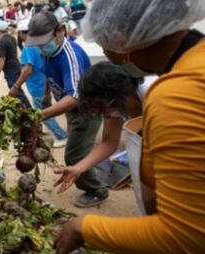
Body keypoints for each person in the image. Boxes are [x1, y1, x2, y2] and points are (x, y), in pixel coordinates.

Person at [53, 0, 205, 254]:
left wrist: (87, 228)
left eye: (106, 47)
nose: (108, 56)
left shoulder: (179, 95)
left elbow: (201, 241)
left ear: (123, 39)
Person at [26, 11, 107, 207]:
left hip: (87, 110)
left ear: (60, 31)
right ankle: (92, 173)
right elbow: (48, 74)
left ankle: (97, 190)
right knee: (79, 147)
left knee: (74, 154)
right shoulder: (49, 53)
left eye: (44, 42)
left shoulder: (69, 55)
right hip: (72, 111)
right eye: (37, 44)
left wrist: (39, 115)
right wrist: (47, 95)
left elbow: (74, 97)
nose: (41, 48)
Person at [54, 62, 157, 192]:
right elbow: (108, 142)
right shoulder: (116, 103)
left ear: (122, 94)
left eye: (103, 108)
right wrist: (78, 168)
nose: (105, 114)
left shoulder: (155, 94)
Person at [13, 20, 67, 147]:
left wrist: (16, 86)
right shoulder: (39, 43)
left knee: (43, 113)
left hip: (37, 85)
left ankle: (62, 135)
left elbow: (27, 69)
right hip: (45, 82)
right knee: (46, 110)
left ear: (21, 33)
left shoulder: (28, 48)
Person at [0, 21, 31, 108]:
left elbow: (2, 59)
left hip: (10, 70)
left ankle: (29, 111)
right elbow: (15, 52)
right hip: (17, 66)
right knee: (18, 91)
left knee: (17, 92)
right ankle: (23, 111)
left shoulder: (1, 42)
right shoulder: (12, 38)